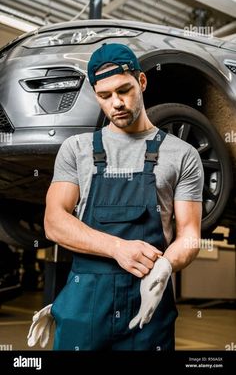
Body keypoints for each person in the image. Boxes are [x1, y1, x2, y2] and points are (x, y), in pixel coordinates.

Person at [27, 42, 204, 351]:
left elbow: (189, 234)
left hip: (149, 307)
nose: (116, 103)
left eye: (124, 90)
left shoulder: (182, 154)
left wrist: (166, 266)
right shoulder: (77, 149)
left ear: (142, 82)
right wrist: (117, 248)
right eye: (104, 96)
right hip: (84, 310)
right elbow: (54, 222)